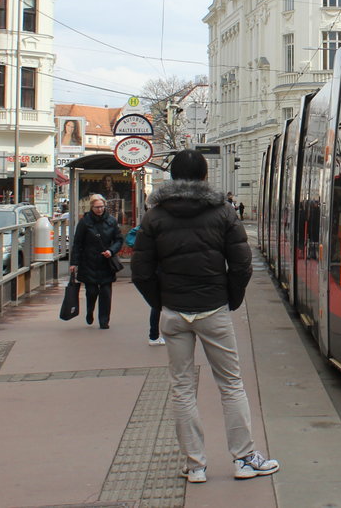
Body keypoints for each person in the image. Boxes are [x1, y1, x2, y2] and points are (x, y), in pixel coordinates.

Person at [132, 149, 278, 484]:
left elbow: (140, 272)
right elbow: (241, 264)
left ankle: (195, 465)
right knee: (231, 384)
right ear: (204, 176)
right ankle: (244, 459)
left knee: (182, 388)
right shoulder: (223, 212)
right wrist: (230, 299)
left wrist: (163, 301)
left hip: (173, 312)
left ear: (172, 177)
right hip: (213, 309)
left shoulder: (154, 217)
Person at [69, 194, 123, 328]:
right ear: (91, 207)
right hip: (88, 262)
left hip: (106, 262)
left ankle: (104, 321)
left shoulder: (111, 221)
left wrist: (111, 251)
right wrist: (74, 263)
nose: (100, 209)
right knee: (91, 291)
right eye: (97, 207)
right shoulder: (85, 222)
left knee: (106, 293)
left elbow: (119, 239)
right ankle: (90, 311)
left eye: (102, 207)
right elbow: (77, 243)